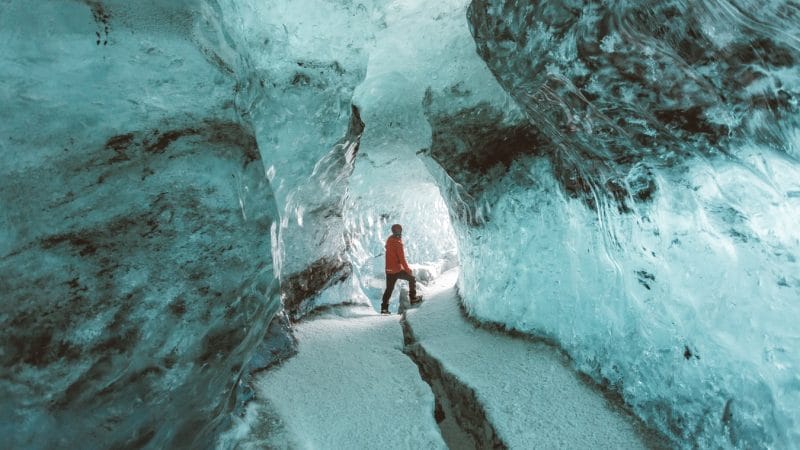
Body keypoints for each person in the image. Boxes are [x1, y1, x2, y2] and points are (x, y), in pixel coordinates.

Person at [380, 224, 422, 315]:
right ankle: (413, 298)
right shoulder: (398, 243)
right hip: (396, 270)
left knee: (389, 289)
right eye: (399, 231)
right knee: (412, 278)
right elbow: (402, 258)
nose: (400, 232)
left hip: (388, 270)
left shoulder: (389, 240)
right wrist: (407, 270)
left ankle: (384, 309)